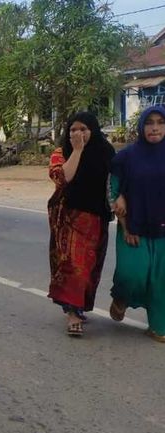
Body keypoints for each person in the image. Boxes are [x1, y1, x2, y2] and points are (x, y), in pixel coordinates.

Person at [47, 112, 116, 336]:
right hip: (70, 218)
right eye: (73, 130)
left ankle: (77, 306)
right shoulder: (61, 153)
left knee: (91, 268)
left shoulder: (106, 151)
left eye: (83, 129)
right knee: (74, 267)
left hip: (97, 218)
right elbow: (62, 178)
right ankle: (73, 315)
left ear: (93, 130)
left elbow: (115, 181)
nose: (78, 133)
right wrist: (77, 150)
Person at [109, 105, 165, 342]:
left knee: (161, 281)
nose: (155, 128)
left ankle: (158, 326)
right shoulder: (126, 157)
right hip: (133, 225)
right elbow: (114, 191)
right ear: (141, 127)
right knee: (133, 274)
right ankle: (122, 297)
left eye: (161, 122)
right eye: (149, 122)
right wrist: (125, 224)